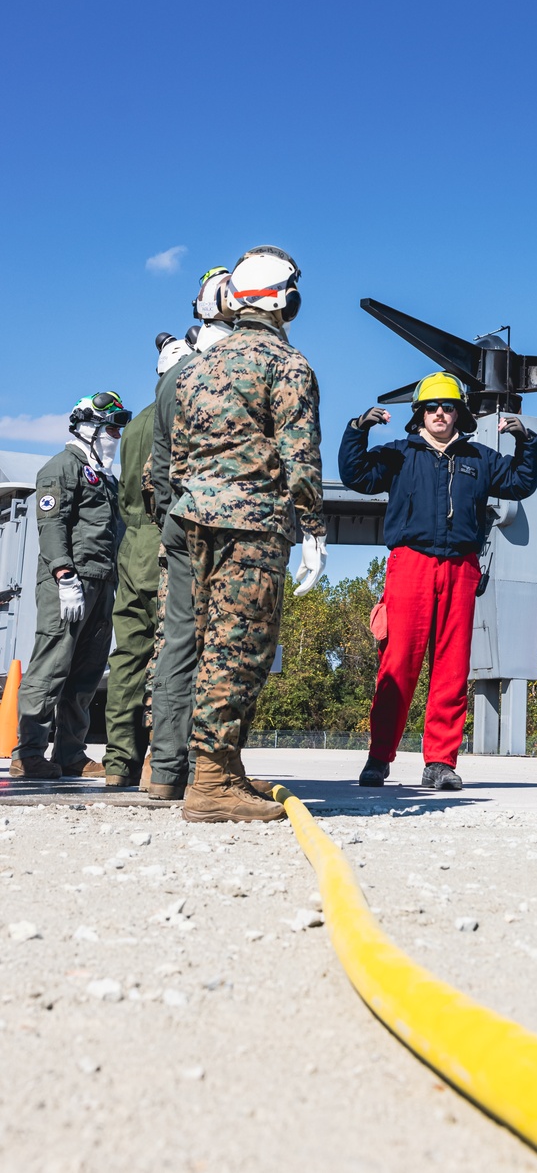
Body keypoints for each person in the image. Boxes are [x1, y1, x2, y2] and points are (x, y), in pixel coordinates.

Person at [169, 247, 324, 822]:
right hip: (252, 524)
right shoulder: (288, 364)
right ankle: (210, 783)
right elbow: (299, 458)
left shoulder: (196, 368)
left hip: (195, 523)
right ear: (286, 301)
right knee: (242, 651)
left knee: (210, 644)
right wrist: (312, 527)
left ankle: (222, 766)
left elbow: (178, 459)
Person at [339, 372, 537, 791]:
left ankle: (440, 763)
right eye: (431, 407)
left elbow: (522, 482)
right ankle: (379, 759)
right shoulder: (399, 455)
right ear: (419, 414)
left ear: (459, 413)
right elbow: (357, 476)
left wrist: (528, 441)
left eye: (448, 407)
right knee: (398, 665)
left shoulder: (480, 459)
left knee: (451, 670)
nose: (439, 413)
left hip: (461, 570)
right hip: (409, 566)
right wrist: (358, 430)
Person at [147, 271, 235, 800]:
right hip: (228, 519)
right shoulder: (240, 364)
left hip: (179, 516)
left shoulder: (173, 373)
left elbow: (160, 461)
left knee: (177, 642)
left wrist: (170, 516)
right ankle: (215, 773)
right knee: (229, 642)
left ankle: (164, 770)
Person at [11, 392, 131, 780]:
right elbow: (51, 526)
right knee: (51, 667)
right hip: (70, 582)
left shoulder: (105, 475)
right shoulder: (61, 467)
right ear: (89, 427)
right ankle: (27, 754)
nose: (115, 434)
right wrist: (64, 575)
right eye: (110, 426)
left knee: (85, 674)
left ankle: (70, 754)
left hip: (102, 581)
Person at [103, 342, 182, 787]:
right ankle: (161, 757)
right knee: (168, 651)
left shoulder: (132, 427)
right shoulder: (178, 417)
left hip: (130, 544)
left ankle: (119, 763)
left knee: (128, 653)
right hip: (163, 539)